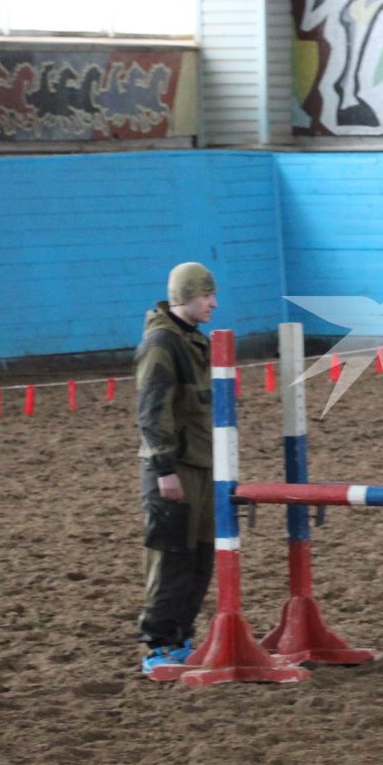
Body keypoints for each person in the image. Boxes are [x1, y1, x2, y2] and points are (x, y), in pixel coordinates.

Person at [133, 262, 218, 676]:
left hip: (202, 466)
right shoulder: (162, 343)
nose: (213, 303)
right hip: (174, 468)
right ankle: (159, 645)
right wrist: (164, 469)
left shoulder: (193, 340)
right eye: (207, 295)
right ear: (186, 296)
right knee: (171, 558)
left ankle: (182, 637)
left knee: (201, 557)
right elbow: (152, 411)